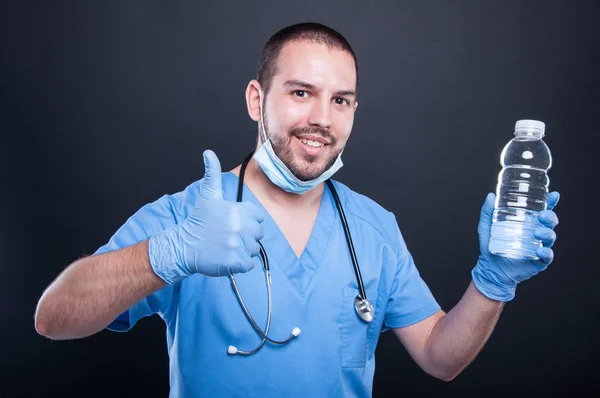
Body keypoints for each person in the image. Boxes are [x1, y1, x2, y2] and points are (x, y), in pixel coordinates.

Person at [34, 22, 560, 397]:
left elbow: (440, 358)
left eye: (340, 100)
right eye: (302, 92)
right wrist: (165, 255)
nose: (321, 118)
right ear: (256, 100)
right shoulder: (190, 215)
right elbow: (53, 318)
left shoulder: (374, 228)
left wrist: (492, 281)